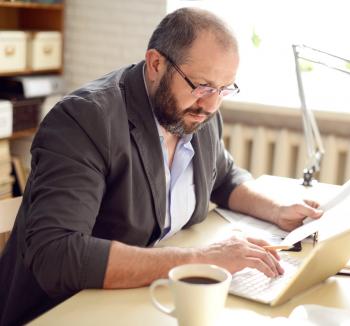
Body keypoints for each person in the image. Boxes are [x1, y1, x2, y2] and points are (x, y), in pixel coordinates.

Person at [0, 7, 323, 325]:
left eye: (224, 89)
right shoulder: (84, 120)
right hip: (64, 309)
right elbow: (57, 255)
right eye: (203, 85)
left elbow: (223, 178)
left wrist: (277, 210)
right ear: (156, 64)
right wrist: (201, 259)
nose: (211, 104)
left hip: (143, 298)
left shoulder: (197, 112)